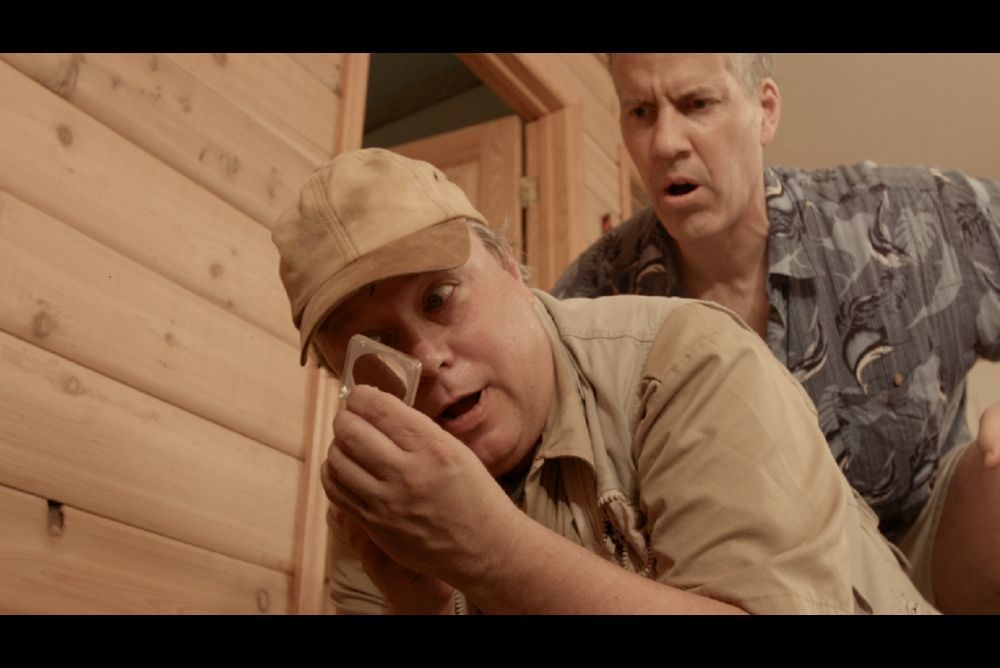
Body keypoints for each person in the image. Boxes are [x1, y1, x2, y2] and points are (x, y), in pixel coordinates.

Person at [271, 147, 936, 614]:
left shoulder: (688, 361)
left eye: (439, 298)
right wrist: (426, 606)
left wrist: (486, 550)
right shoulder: (379, 500)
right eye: (378, 349)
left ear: (510, 267)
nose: (428, 357)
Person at [553, 53, 1000, 613]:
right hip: (740, 580)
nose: (665, 143)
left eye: (697, 104)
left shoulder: (906, 221)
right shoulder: (592, 304)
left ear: (764, 110)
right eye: (640, 112)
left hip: (931, 545)